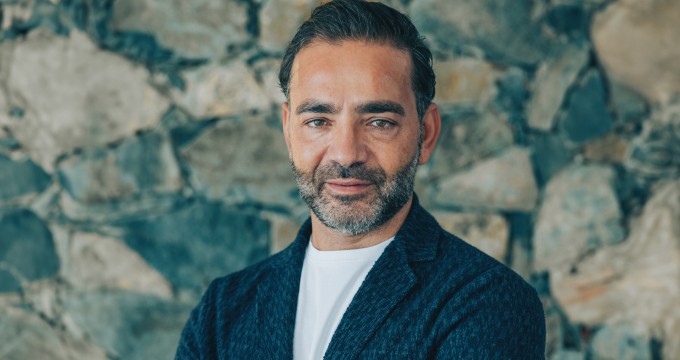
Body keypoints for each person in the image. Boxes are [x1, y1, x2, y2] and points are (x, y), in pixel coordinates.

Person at [174, 0, 546, 358]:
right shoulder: (223, 310)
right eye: (318, 121)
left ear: (427, 133)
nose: (346, 153)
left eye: (379, 122)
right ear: (288, 130)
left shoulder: (487, 301)